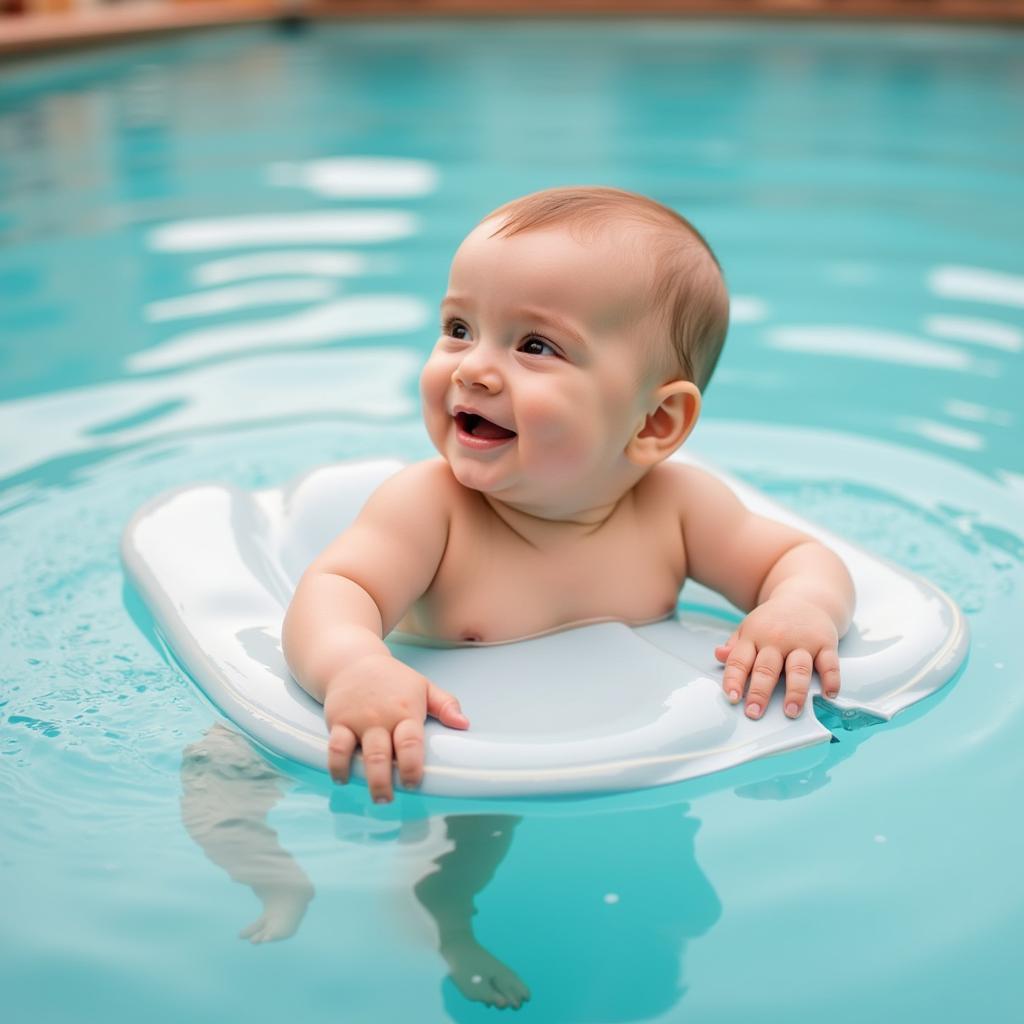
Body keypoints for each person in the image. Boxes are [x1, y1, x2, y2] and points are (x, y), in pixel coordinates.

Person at [282, 186, 855, 804]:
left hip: (619, 758)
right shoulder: (431, 508)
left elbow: (799, 559)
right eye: (458, 328)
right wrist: (353, 665)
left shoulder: (677, 509)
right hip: (461, 763)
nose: (471, 368)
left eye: (535, 346)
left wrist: (799, 609)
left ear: (655, 422)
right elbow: (337, 591)